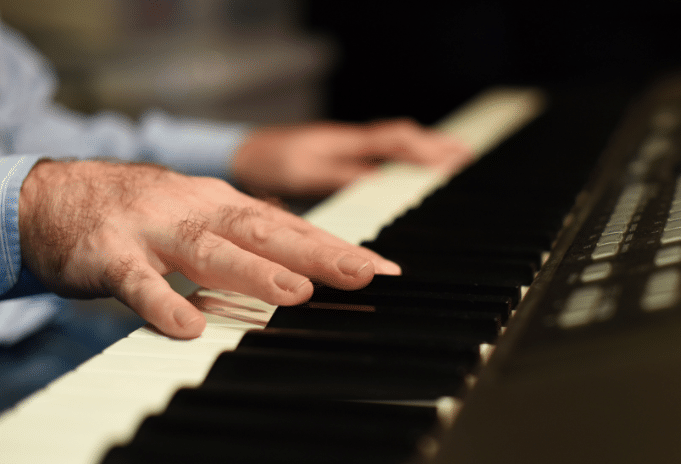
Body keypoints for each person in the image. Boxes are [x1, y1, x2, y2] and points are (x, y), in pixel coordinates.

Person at [0, 21, 473, 342]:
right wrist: (36, 207)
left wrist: (242, 152)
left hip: (44, 329)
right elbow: (46, 188)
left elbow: (32, 136)